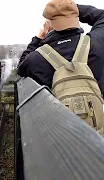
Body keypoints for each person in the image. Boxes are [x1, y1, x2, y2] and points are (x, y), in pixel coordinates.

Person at [17, 0, 104, 134]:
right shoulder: (96, 44)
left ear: (49, 24)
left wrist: (38, 38)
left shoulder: (37, 58)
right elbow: (102, 16)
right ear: (76, 17)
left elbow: (21, 66)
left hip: (59, 136)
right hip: (97, 135)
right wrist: (71, 9)